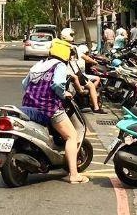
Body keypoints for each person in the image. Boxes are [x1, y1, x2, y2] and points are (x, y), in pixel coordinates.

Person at [20, 39, 88, 184]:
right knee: (71, 136)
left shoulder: (40, 64)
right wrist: (63, 94)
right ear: (65, 53)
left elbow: (24, 84)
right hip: (49, 108)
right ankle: (74, 175)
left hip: (28, 105)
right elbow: (57, 84)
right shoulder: (60, 65)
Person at [72, 43, 103, 114]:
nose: (87, 54)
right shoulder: (79, 51)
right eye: (86, 53)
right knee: (93, 84)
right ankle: (96, 107)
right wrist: (96, 62)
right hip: (78, 73)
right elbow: (88, 59)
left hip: (73, 73)